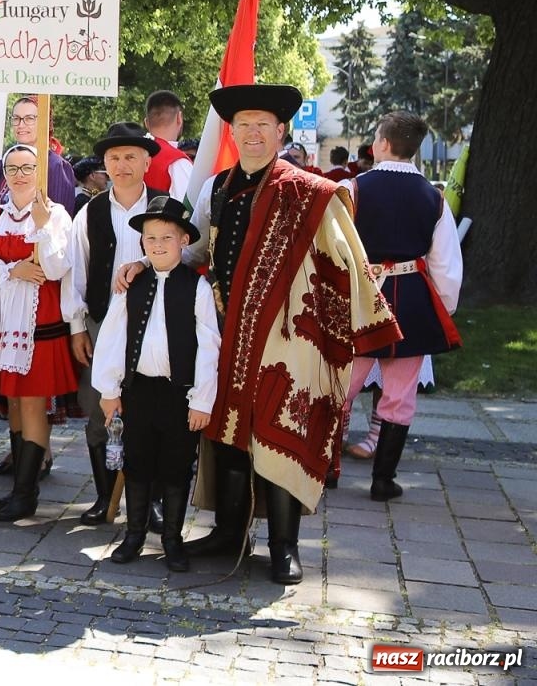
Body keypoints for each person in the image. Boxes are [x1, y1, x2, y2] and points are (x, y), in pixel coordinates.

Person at [146, 83, 399, 585]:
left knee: (280, 432)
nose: (253, 134)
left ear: (281, 131)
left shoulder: (310, 192)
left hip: (287, 337)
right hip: (225, 331)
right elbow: (196, 252)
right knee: (229, 435)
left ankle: (285, 546)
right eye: (244, 126)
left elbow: (345, 260)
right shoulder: (216, 187)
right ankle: (228, 532)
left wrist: (342, 323)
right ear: (233, 132)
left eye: (263, 125)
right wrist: (144, 265)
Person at [339, 111, 461, 502]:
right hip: (410, 301)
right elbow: (445, 266)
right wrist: (442, 307)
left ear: (384, 144)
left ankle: (324, 468)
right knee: (400, 393)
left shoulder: (354, 189)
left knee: (340, 385)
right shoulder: (434, 198)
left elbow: (334, 250)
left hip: (361, 299)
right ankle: (382, 479)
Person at [94, 196, 219, 571]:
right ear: (142, 243)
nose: (159, 244)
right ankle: (133, 534)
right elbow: (113, 339)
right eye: (151, 238)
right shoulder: (132, 282)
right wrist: (110, 390)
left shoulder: (196, 288)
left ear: (183, 240)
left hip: (179, 394)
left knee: (177, 465)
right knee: (137, 463)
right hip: (139, 391)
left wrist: (202, 400)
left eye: (167, 236)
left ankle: (172, 540)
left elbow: (209, 346)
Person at [65, 123, 165, 528]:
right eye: (114, 158)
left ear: (146, 160)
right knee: (97, 411)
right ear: (104, 164)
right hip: (101, 323)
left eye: (129, 157)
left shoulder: (166, 206)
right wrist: (76, 327)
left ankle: (151, 502)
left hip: (155, 326)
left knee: (153, 412)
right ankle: (105, 496)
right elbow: (75, 272)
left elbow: (187, 257)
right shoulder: (90, 211)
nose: (121, 165)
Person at [0, 144, 76, 522]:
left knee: (33, 402)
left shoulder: (57, 214)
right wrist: (11, 271)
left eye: (27, 167)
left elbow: (56, 269)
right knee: (15, 402)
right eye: (12, 168)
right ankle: (20, 486)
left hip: (39, 320)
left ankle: (25, 492)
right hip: (4, 321)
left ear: (39, 171)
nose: (19, 174)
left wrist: (44, 226)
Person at [0, 96, 77, 211]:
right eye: (16, 118)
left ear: (44, 123)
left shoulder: (55, 165)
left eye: (29, 118)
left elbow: (59, 225)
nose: (21, 125)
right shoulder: (6, 161)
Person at [142, 90, 195, 201]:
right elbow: (188, 210)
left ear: (146, 123)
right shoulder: (178, 162)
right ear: (179, 118)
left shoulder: (132, 153)